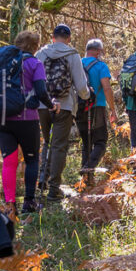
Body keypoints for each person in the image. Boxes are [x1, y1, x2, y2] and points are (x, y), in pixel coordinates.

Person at [0, 30, 56, 216]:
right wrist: (52, 106)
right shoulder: (34, 64)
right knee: (32, 159)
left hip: (1, 118)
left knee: (9, 161)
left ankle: (10, 205)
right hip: (26, 119)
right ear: (35, 47)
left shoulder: (3, 64)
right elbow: (41, 91)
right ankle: (29, 202)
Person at [36, 24, 90, 201]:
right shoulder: (72, 54)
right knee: (59, 145)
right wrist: (87, 95)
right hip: (65, 106)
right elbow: (81, 87)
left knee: (47, 142)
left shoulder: (41, 54)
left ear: (52, 37)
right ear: (68, 39)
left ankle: (42, 180)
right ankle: (54, 190)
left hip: (43, 105)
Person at [76, 39, 116, 175]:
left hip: (79, 108)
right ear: (98, 51)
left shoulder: (77, 64)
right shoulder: (101, 66)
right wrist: (112, 109)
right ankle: (87, 168)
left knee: (86, 142)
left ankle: (86, 180)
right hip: (97, 107)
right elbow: (107, 88)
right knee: (100, 142)